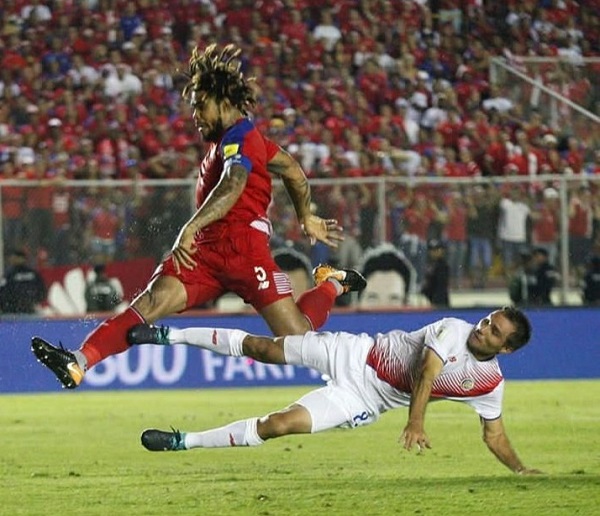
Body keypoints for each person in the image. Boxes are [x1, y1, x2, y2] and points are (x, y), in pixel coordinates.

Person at [31, 44, 366, 389]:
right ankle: (79, 361)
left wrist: (191, 227)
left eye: (199, 105)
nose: (194, 115)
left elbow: (234, 183)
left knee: (297, 340)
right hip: (205, 252)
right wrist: (305, 217)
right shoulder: (237, 142)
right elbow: (293, 171)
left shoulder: (243, 137)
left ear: (222, 101)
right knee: (149, 303)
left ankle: (332, 282)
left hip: (244, 251)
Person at [131, 307, 542, 475]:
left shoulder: (488, 384)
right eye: (488, 320)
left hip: (364, 400)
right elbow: (426, 373)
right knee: (263, 348)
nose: (483, 328)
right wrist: (416, 422)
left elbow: (495, 434)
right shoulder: (454, 329)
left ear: (505, 349)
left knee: (279, 426)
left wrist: (522, 470)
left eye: (494, 332)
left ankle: (184, 442)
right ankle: (170, 334)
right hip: (354, 354)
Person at [0, 249, 47, 314]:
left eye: (15, 257)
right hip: (23, 309)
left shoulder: (10, 274)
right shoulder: (32, 273)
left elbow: (42, 290)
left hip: (15, 311)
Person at [421, 239, 450, 308]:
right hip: (431, 300)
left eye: (437, 249)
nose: (434, 252)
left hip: (439, 302)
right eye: (432, 250)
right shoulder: (429, 264)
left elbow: (441, 286)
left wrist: (437, 302)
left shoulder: (443, 266)